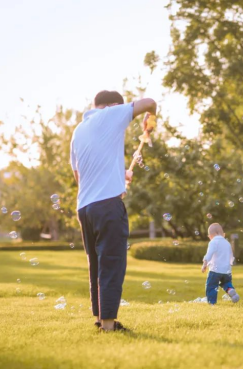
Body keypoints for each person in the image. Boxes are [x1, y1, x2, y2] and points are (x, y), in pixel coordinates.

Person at [70, 90, 157, 331]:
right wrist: (151, 121)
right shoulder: (110, 114)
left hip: (85, 208)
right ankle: (109, 325)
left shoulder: (78, 131)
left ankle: (100, 319)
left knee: (96, 265)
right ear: (111, 106)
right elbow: (150, 102)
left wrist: (119, 178)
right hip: (107, 206)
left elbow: (80, 176)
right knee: (112, 263)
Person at [201, 223, 240, 304]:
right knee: (226, 283)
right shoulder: (227, 243)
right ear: (224, 234)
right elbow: (231, 257)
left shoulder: (213, 242)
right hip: (227, 271)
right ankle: (230, 290)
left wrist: (205, 264)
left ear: (210, 236)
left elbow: (209, 254)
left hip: (215, 270)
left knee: (211, 286)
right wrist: (230, 264)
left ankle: (212, 302)